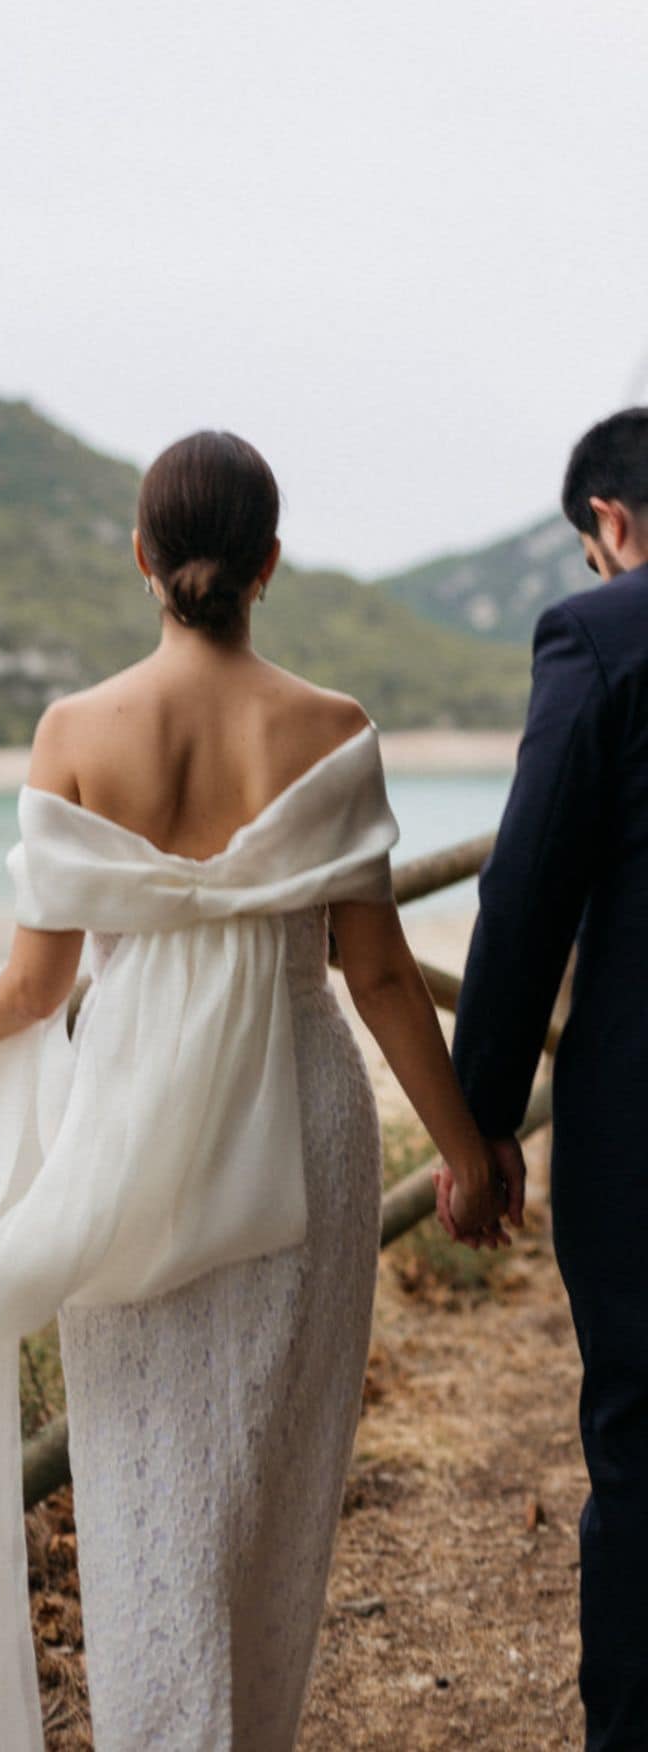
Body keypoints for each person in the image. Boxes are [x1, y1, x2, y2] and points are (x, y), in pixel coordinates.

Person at [0, 429, 507, 1751]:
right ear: (271, 564)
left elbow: (32, 991)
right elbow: (384, 979)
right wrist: (469, 1151)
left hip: (126, 1143)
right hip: (306, 1124)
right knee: (270, 1487)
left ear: (140, 557)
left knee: (146, 1500)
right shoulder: (334, 731)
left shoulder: (75, 732)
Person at [439, 407, 648, 1752]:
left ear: (610, 528)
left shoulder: (604, 637)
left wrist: (480, 1123)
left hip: (645, 1122)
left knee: (642, 1449)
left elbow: (525, 895)